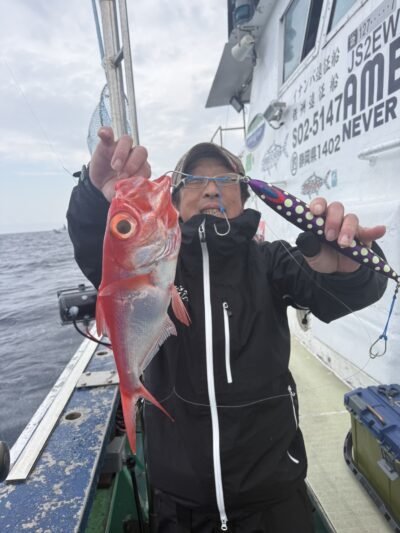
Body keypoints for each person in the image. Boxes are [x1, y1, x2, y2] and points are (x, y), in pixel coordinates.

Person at [67, 127, 387, 533]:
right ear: (174, 201)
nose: (211, 188)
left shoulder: (273, 261)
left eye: (226, 179)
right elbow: (103, 248)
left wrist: (351, 267)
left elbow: (345, 292)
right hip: (179, 504)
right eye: (195, 180)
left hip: (274, 497)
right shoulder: (154, 263)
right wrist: (95, 195)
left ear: (244, 196)